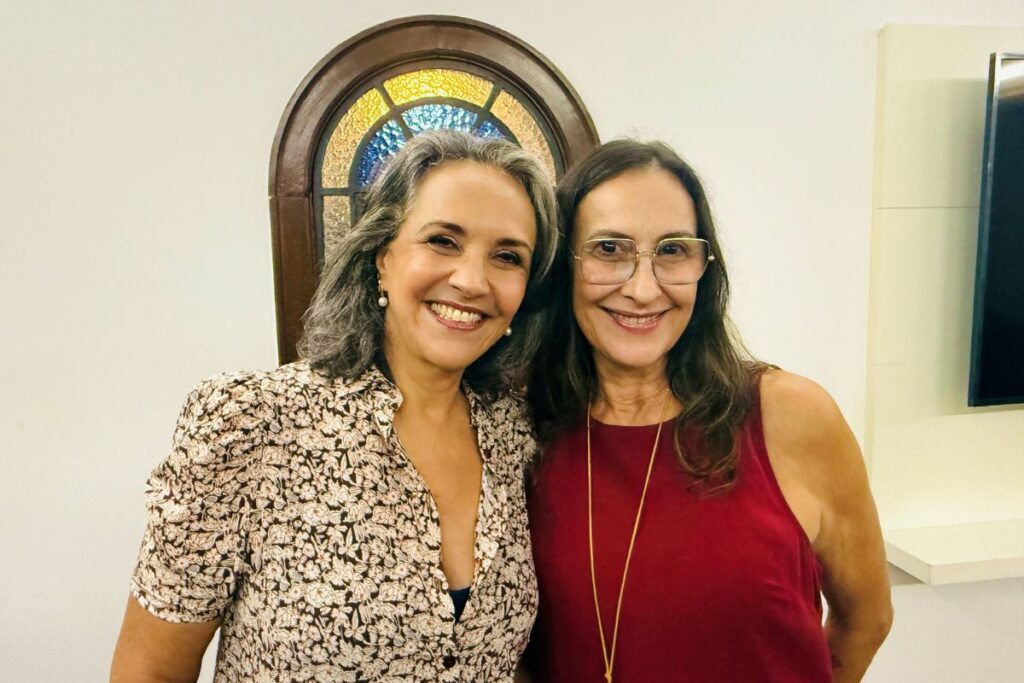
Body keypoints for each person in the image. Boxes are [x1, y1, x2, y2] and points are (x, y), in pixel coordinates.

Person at [110, 130, 558, 682]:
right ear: (382, 257)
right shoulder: (251, 423)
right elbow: (149, 671)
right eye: (443, 241)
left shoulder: (516, 436)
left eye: (507, 256)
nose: (471, 280)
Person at [526, 140, 892, 682]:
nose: (643, 289)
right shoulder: (521, 430)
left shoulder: (790, 415)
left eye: (673, 250)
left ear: (705, 266)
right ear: (563, 266)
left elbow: (866, 620)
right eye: (608, 249)